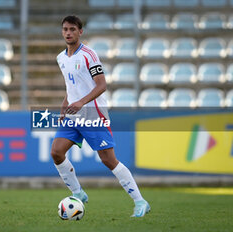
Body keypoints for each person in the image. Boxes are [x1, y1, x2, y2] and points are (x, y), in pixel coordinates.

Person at [50, 15, 150, 217]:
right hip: (73, 115)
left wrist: (81, 103)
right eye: (65, 29)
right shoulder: (61, 58)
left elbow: (102, 85)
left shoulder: (89, 54)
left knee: (108, 160)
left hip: (92, 114)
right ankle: (78, 192)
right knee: (56, 152)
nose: (68, 33)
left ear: (80, 32)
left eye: (72, 29)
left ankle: (140, 202)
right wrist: (65, 106)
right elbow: (71, 87)